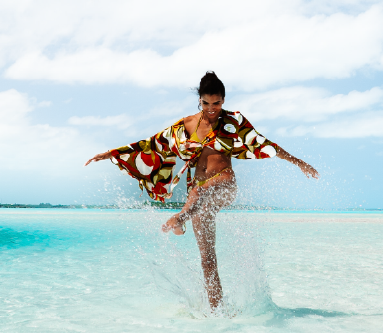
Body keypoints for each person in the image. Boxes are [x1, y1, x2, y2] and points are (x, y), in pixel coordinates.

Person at [85, 71, 318, 310]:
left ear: (223, 100)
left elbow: (264, 143)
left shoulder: (234, 121)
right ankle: (217, 311)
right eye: (206, 103)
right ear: (200, 101)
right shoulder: (187, 124)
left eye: (216, 103)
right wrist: (113, 153)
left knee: (199, 193)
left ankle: (180, 218)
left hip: (224, 183)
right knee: (207, 260)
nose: (211, 108)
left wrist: (298, 162)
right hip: (199, 194)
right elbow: (152, 143)